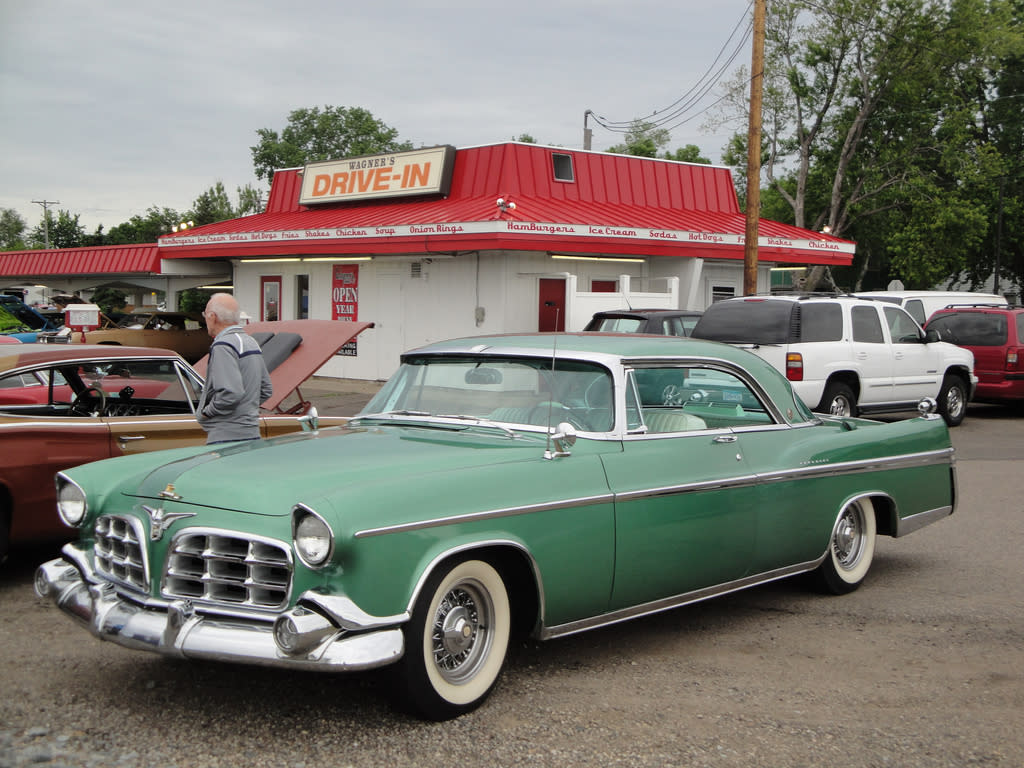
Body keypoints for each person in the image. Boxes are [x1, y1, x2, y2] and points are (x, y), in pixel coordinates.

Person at [197, 293, 272, 444]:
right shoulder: (250, 342)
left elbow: (231, 393)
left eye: (205, 314)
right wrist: (246, 410)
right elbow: (266, 390)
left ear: (212, 317)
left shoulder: (223, 346)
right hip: (251, 432)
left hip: (225, 435)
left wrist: (206, 413)